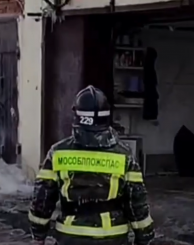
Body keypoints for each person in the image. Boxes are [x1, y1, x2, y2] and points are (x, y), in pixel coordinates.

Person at [29, 85, 155, 245]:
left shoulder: (58, 152)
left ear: (77, 116)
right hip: (113, 238)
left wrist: (38, 236)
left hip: (70, 237)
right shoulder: (124, 155)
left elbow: (42, 199)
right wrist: (144, 238)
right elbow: (137, 204)